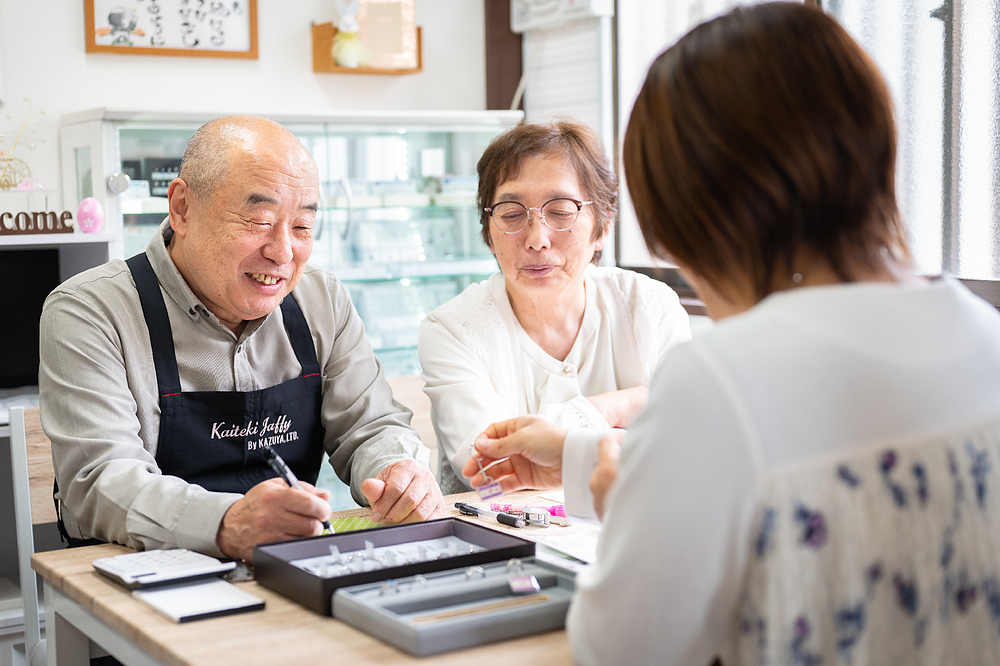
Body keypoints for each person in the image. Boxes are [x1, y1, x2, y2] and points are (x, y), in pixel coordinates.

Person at [463, 3, 1000, 664]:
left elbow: (622, 646)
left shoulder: (722, 380)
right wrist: (580, 459)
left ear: (699, 209)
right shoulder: (986, 339)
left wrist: (630, 509)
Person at [40, 116, 445, 563]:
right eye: (258, 221)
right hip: (140, 578)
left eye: (302, 227)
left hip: (291, 564)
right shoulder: (90, 310)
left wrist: (398, 471)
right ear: (182, 209)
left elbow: (370, 426)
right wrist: (229, 523)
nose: (283, 252)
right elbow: (100, 481)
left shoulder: (320, 299)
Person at [418, 120, 691, 494]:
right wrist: (618, 408)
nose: (536, 239)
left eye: (561, 211)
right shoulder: (452, 328)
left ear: (604, 224)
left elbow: (690, 445)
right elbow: (490, 471)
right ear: (488, 230)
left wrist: (560, 446)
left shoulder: (650, 307)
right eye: (512, 213)